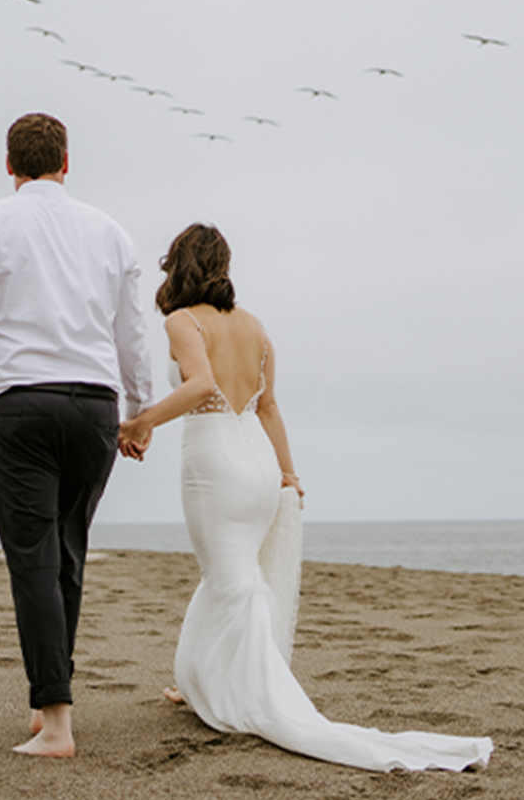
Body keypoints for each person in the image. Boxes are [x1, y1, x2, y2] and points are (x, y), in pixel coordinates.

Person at [117, 224, 492, 772]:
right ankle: (197, 680)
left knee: (230, 577)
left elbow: (199, 386)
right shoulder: (256, 328)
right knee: (231, 574)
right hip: (260, 468)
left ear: (178, 266)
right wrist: (288, 473)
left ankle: (249, 693)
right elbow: (268, 407)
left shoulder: (182, 320)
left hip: (215, 464)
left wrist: (139, 422)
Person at [0, 113, 153, 758]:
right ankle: (50, 705)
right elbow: (131, 336)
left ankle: (57, 719)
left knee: (34, 562)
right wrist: (140, 411)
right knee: (68, 554)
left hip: (21, 407)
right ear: (66, 163)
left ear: (9, 167)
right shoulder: (111, 233)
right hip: (94, 409)